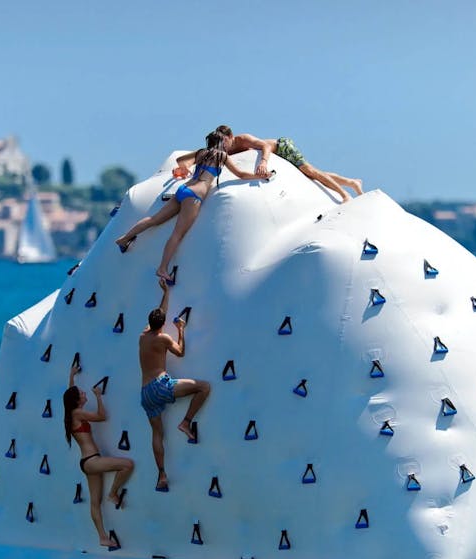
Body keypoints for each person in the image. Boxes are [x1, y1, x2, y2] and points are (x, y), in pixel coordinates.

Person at [115, 130, 266, 284]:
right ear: (221, 143)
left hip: (183, 189)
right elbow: (240, 174)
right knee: (178, 233)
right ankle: (162, 268)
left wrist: (185, 168)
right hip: (194, 196)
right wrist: (259, 175)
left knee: (154, 219)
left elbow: (180, 160)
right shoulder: (222, 156)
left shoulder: (201, 153)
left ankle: (124, 238)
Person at [139, 279, 210, 491]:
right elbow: (180, 352)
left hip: (145, 393)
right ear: (163, 325)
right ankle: (186, 422)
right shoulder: (163, 339)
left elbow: (161, 312)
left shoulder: (143, 335)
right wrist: (181, 330)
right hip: (160, 385)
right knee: (203, 387)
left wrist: (166, 293)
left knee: (157, 434)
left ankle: (161, 474)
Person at [63, 361, 135, 548]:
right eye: (82, 393)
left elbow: (69, 392)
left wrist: (72, 375)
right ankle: (113, 493)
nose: (84, 393)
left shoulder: (72, 412)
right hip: (92, 461)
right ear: (77, 401)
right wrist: (98, 396)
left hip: (88, 462)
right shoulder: (77, 414)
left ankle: (102, 537)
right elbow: (102, 417)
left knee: (95, 502)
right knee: (127, 465)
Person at [212, 125, 363, 203]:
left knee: (310, 171)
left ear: (230, 136)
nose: (222, 146)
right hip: (277, 157)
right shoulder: (226, 151)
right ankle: (352, 182)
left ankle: (344, 194)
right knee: (310, 175)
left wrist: (263, 162)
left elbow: (265, 145)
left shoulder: (242, 139)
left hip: (282, 148)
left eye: (224, 141)